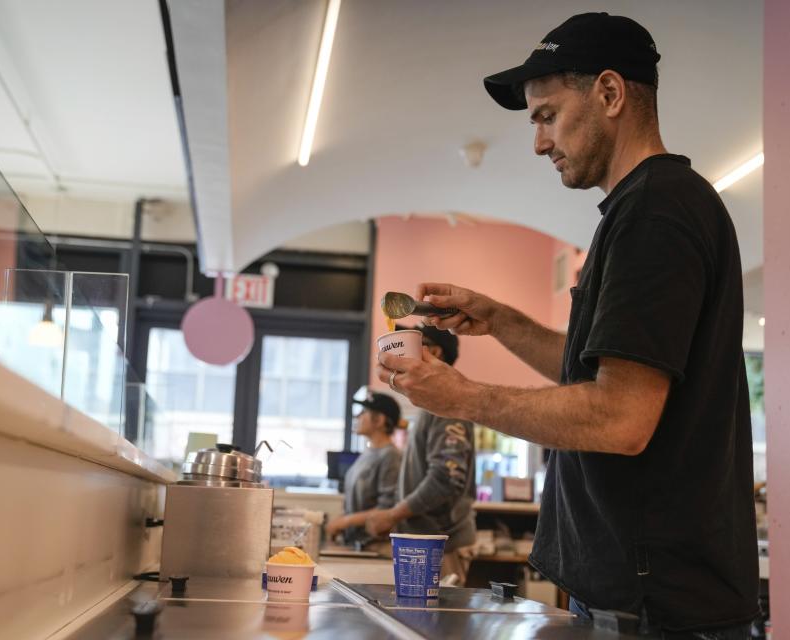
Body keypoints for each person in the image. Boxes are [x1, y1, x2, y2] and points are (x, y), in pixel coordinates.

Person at [375, 12, 758, 638]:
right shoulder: (639, 210)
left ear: (609, 93)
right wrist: (499, 321)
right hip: (635, 597)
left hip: (659, 608)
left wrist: (463, 396)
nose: (538, 142)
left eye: (547, 115)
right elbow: (598, 373)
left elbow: (620, 417)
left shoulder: (658, 212)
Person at [367, 325, 477, 584]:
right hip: (430, 543)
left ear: (435, 351)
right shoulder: (432, 404)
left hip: (442, 545)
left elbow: (445, 478)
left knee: (441, 624)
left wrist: (393, 515)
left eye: (415, 344)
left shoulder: (447, 403)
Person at [324, 391, 402, 548]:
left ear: (379, 420)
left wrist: (345, 522)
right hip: (357, 544)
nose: (357, 417)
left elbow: (387, 508)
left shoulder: (391, 456)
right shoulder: (368, 453)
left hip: (375, 547)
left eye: (364, 412)